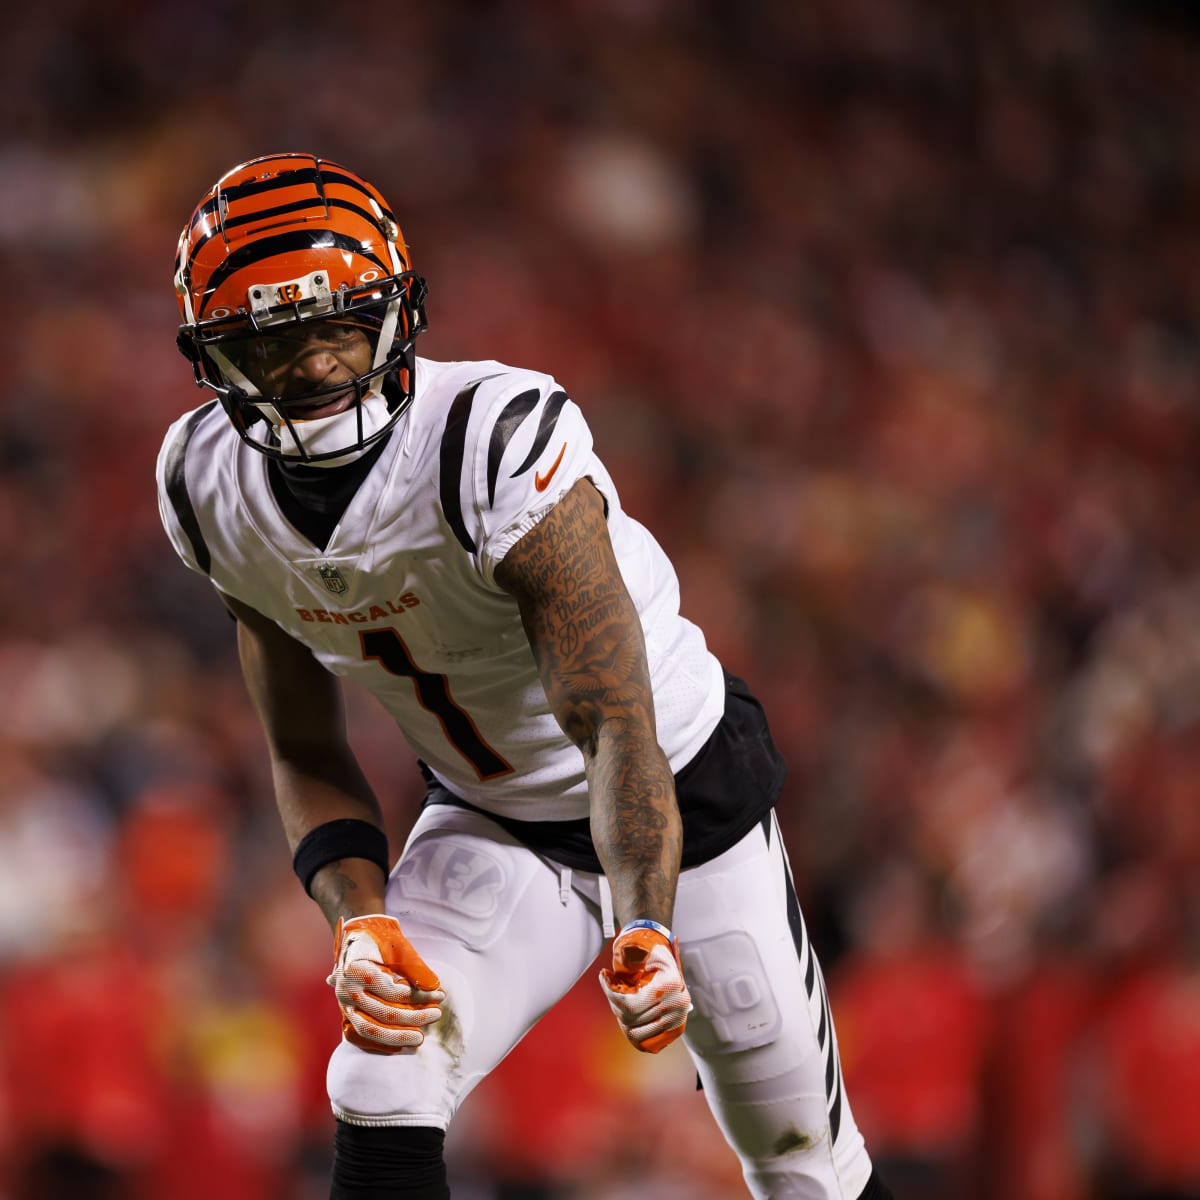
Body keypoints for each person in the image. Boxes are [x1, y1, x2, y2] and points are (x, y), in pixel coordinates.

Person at [154, 152, 893, 1200]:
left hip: (676, 800)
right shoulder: (205, 489)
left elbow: (613, 719)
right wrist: (357, 921)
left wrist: (643, 919)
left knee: (801, 1166)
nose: (315, 368)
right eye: (274, 343)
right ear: (217, 358)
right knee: (379, 1072)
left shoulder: (491, 440)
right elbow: (304, 747)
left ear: (397, 311)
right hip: (493, 815)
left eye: (336, 326)